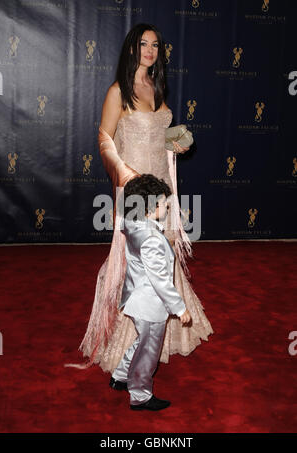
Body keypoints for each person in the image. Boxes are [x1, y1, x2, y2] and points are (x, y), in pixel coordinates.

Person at [65, 23, 213, 373]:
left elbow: (156, 139)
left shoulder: (156, 88)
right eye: (143, 44)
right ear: (132, 48)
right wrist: (130, 181)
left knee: (163, 260)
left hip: (162, 190)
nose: (150, 50)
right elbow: (105, 142)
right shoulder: (118, 91)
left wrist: (173, 145)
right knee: (137, 268)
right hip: (135, 194)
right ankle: (126, 350)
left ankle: (165, 335)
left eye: (155, 45)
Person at [110, 173, 191, 411]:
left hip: (135, 299)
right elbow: (160, 280)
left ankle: (119, 377)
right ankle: (140, 395)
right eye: (164, 203)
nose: (167, 207)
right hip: (149, 305)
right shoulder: (152, 238)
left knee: (141, 343)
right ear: (148, 207)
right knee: (148, 353)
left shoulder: (133, 225)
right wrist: (180, 308)